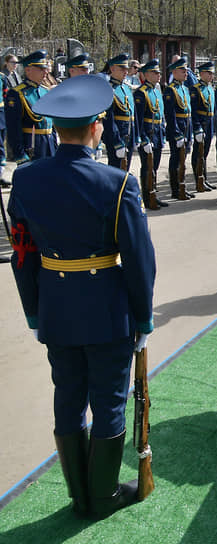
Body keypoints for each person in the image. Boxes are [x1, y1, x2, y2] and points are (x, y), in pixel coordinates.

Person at [7, 74, 156, 520]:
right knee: (108, 398)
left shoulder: (27, 179)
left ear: (55, 128)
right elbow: (139, 261)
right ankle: (103, 495)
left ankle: (79, 496)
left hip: (55, 304)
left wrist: (34, 310)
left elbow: (22, 253)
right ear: (97, 128)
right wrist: (143, 318)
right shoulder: (117, 183)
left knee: (67, 394)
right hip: (107, 309)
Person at [5, 50, 56, 165]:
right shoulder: (17, 93)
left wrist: (55, 147)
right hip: (32, 148)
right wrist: (20, 154)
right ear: (28, 70)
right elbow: (13, 127)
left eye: (45, 68)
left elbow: (51, 124)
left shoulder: (45, 91)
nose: (45, 72)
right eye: (41, 69)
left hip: (49, 146)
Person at [133, 59, 167, 209]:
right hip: (148, 133)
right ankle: (147, 197)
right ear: (146, 74)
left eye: (159, 72)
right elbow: (138, 120)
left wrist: (163, 134)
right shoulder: (141, 93)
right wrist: (143, 139)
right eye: (155, 72)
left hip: (158, 133)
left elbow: (161, 115)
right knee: (147, 167)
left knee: (155, 166)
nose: (158, 75)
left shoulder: (156, 91)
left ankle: (153, 193)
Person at [162, 57, 195, 201]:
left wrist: (191, 132)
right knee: (176, 160)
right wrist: (177, 134)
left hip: (186, 127)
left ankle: (182, 186)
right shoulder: (170, 90)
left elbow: (189, 112)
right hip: (178, 129)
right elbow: (170, 115)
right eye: (183, 71)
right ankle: (176, 189)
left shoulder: (184, 88)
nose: (186, 73)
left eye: (186, 70)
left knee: (183, 160)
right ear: (174, 72)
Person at [101, 54, 138, 171]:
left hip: (129, 136)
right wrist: (117, 142)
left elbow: (133, 114)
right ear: (112, 69)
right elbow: (109, 120)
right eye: (122, 69)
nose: (125, 72)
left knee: (125, 171)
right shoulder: (108, 90)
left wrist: (136, 137)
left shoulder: (127, 88)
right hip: (117, 138)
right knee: (115, 171)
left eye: (126, 69)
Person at [190, 61, 217, 193]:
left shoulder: (210, 88)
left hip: (210, 121)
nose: (211, 75)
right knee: (198, 153)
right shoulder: (195, 89)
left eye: (212, 73)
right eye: (209, 73)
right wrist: (197, 127)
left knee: (205, 153)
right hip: (201, 122)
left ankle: (204, 178)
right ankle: (198, 179)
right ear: (201, 74)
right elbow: (194, 111)